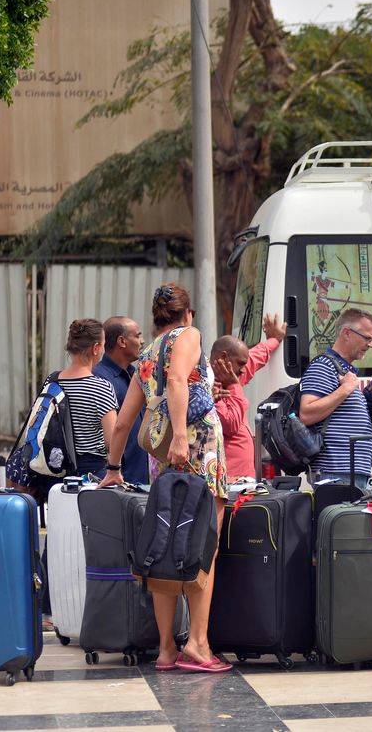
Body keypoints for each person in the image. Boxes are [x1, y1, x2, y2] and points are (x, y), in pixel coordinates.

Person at [100, 283, 231, 673]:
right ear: (187, 315)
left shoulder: (146, 353)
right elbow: (177, 380)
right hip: (197, 449)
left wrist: (113, 468)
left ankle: (166, 650)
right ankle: (198, 643)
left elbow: (124, 421)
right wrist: (179, 435)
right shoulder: (188, 336)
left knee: (167, 547)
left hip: (161, 462)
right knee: (203, 546)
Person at [298, 308, 372, 487]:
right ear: (347, 333)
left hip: (349, 471)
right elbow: (306, 413)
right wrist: (345, 389)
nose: (370, 344)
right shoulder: (323, 366)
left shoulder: (343, 370)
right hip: (335, 471)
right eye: (367, 338)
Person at [210, 314, 286, 479]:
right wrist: (234, 386)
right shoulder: (209, 387)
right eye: (241, 364)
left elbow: (255, 357)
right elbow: (230, 424)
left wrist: (274, 340)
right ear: (223, 358)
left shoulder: (230, 372)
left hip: (243, 480)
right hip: (227, 483)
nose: (244, 370)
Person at [55, 319, 119, 479]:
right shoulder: (101, 387)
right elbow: (112, 440)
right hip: (91, 470)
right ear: (96, 348)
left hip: (55, 466)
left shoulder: (53, 381)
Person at [94, 316, 149, 484]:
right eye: (138, 335)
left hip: (144, 477)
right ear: (122, 341)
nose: (143, 341)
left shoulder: (138, 374)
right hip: (119, 478)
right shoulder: (100, 378)